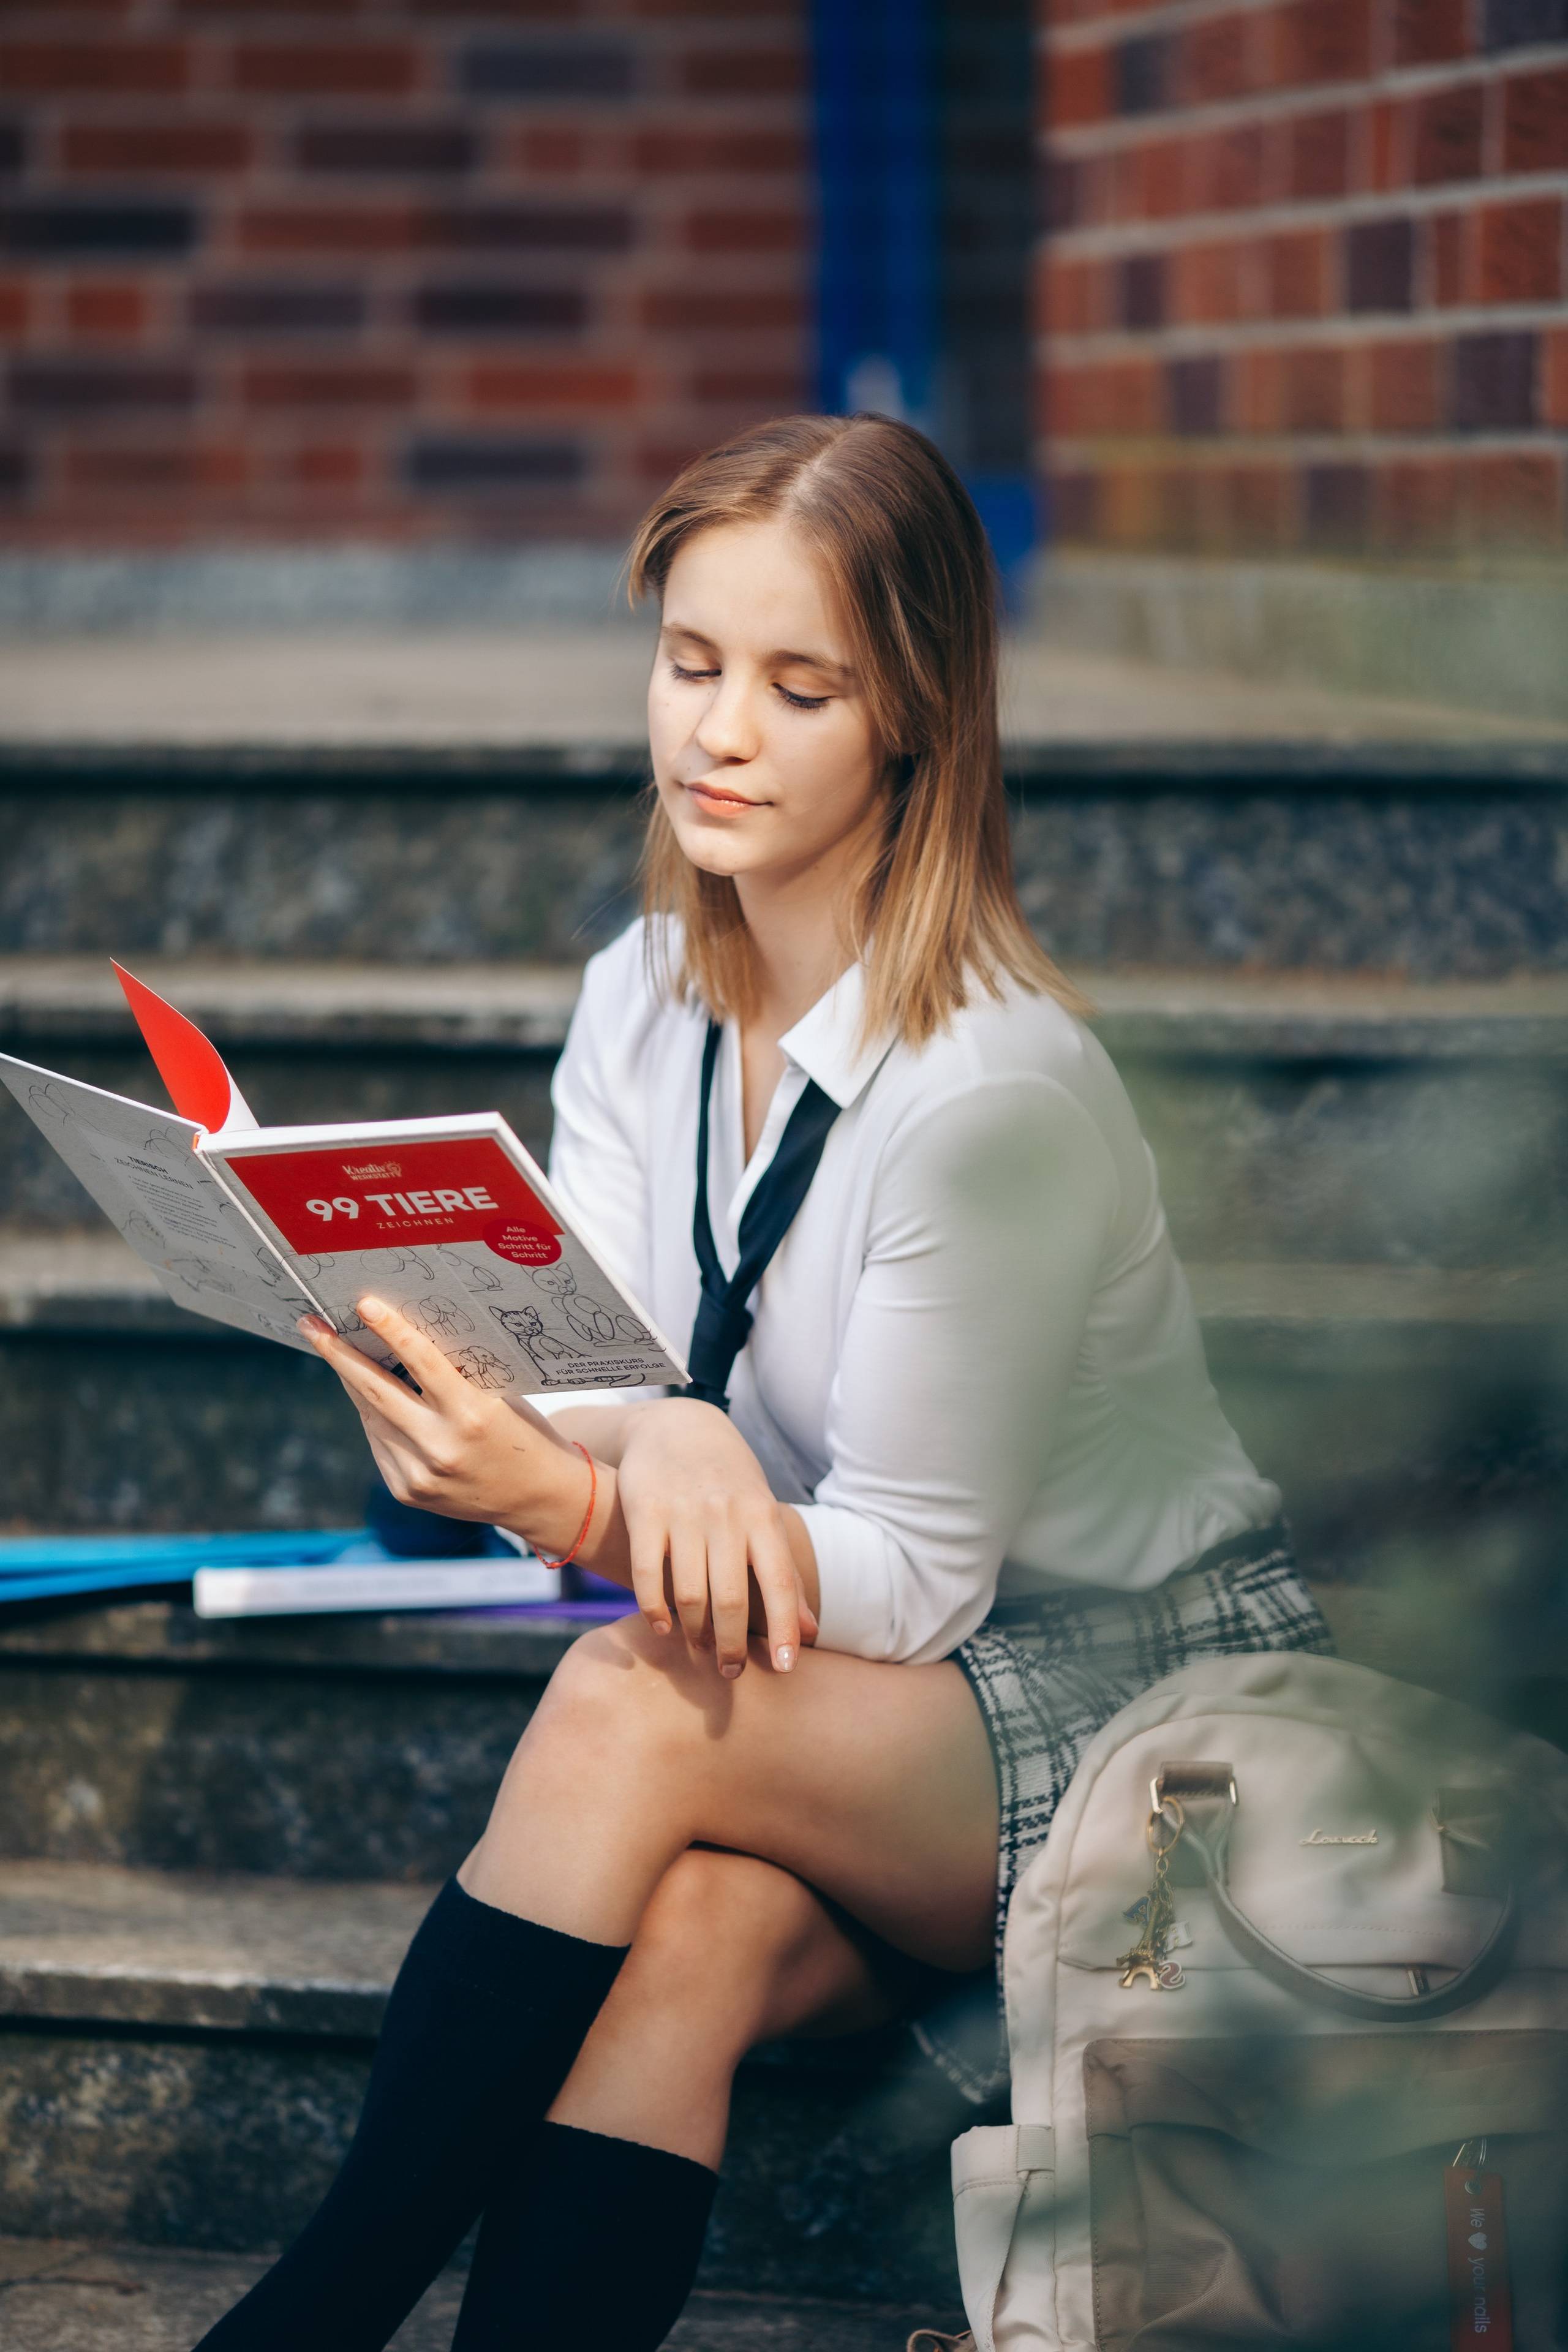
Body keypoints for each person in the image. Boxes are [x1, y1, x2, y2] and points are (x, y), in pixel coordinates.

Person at [195, 415, 1330, 2352]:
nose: (718, 732)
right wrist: (565, 1423)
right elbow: (606, 1371)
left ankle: (311, 2315)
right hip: (874, 1720)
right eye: (690, 663)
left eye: (798, 688)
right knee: (692, 1937)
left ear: (911, 718)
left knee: (627, 1705)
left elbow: (906, 1585)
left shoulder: (995, 1092)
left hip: (1137, 1708)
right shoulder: (642, 987)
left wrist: (574, 1500)